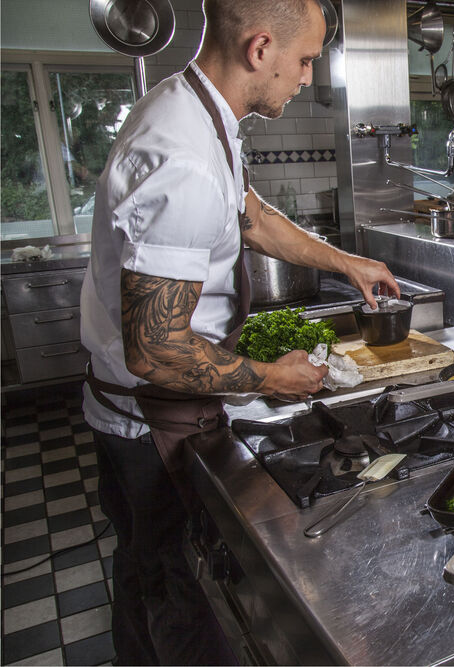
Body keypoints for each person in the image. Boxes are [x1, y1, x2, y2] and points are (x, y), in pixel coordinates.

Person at [79, 0, 399, 663]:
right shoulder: (184, 158)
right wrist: (272, 378)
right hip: (150, 422)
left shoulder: (195, 113)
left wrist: (348, 262)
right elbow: (156, 349)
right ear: (260, 49)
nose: (307, 77)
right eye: (305, 60)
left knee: (144, 571)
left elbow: (251, 216)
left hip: (138, 409)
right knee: (178, 593)